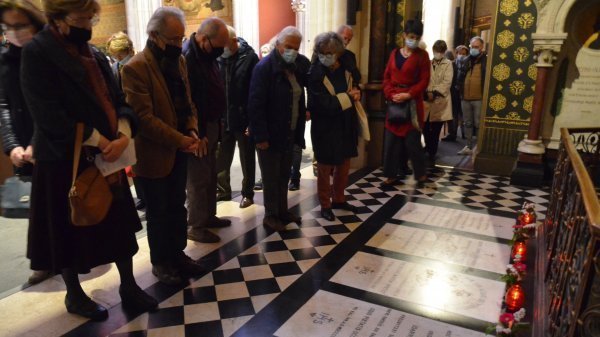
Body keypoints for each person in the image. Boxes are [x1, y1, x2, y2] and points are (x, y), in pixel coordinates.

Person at [21, 0, 158, 320]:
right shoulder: (37, 52)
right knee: (69, 226)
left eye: (91, 16)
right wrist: (100, 140)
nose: (89, 24)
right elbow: (47, 114)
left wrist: (123, 133)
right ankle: (74, 294)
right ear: (58, 18)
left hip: (108, 154)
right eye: (81, 18)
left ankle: (128, 286)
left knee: (120, 227)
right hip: (63, 158)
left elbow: (118, 99)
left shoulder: (93, 53)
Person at [121, 6, 204, 285]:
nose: (178, 45)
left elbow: (188, 99)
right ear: (155, 36)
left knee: (177, 205)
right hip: (153, 155)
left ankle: (177, 253)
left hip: (180, 147)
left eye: (181, 38)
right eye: (172, 39)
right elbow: (144, 119)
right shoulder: (135, 68)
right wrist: (180, 139)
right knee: (158, 212)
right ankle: (161, 261)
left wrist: (191, 127)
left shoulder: (178, 61)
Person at [0, 0, 52, 285]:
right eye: (8, 27)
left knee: (58, 206)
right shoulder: (5, 61)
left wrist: (36, 142)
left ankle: (67, 262)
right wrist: (12, 145)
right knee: (35, 208)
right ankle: (42, 261)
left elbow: (50, 105)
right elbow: (4, 104)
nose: (14, 32)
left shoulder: (48, 55)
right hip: (24, 146)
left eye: (20, 26)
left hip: (52, 141)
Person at [248, 26, 310, 231]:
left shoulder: (296, 67)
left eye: (296, 47)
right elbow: (255, 105)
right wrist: (261, 136)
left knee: (284, 174)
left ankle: (282, 211)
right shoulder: (264, 68)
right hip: (270, 134)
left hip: (289, 131)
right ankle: (271, 215)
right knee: (270, 177)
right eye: (288, 46)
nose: (292, 50)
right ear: (278, 44)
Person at [183, 17, 231, 243]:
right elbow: (190, 100)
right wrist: (199, 133)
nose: (220, 52)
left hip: (212, 124)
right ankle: (196, 225)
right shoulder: (188, 58)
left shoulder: (206, 54)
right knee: (198, 179)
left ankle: (209, 216)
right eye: (218, 46)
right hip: (199, 129)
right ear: (203, 38)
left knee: (211, 174)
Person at [308, 32, 360, 221]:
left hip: (345, 123)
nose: (325, 56)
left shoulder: (347, 68)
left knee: (344, 163)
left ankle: (339, 198)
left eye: (329, 52)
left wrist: (355, 94)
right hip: (325, 126)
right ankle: (325, 204)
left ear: (338, 53)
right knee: (324, 166)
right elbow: (324, 104)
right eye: (322, 52)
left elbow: (356, 87)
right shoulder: (315, 73)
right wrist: (348, 97)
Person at [381, 19, 430, 186]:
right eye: (411, 36)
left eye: (417, 37)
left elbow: (424, 81)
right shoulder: (394, 53)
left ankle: (420, 174)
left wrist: (408, 94)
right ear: (404, 35)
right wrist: (390, 94)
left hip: (412, 104)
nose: (413, 40)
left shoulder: (423, 56)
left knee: (413, 141)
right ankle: (391, 174)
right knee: (391, 140)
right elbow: (386, 77)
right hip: (395, 102)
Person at [215, 25, 259, 208]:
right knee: (221, 157)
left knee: (247, 157)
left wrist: (252, 120)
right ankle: (222, 190)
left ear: (234, 41)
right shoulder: (217, 57)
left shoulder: (249, 58)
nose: (222, 48)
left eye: (224, 44)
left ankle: (247, 193)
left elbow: (255, 91)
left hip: (243, 117)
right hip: (222, 116)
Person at [106, 30, 146, 210]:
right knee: (131, 162)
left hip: (141, 118)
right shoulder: (115, 68)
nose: (117, 59)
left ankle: (147, 194)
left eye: (120, 55)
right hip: (126, 119)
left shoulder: (140, 65)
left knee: (142, 161)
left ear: (128, 50)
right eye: (115, 56)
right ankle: (141, 196)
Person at [423, 40, 453, 166]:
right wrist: (425, 93)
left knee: (435, 129)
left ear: (444, 52)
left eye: (440, 51)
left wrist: (434, 93)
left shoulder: (448, 64)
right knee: (424, 127)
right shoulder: (428, 63)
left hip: (440, 100)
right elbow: (423, 78)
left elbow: (447, 82)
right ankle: (428, 147)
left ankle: (432, 153)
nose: (438, 53)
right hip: (426, 100)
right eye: (436, 51)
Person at [457, 37, 486, 155]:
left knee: (478, 123)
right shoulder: (466, 60)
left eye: (476, 47)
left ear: (482, 47)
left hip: (479, 98)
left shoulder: (486, 61)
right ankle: (468, 146)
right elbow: (460, 77)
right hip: (465, 98)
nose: (474, 49)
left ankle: (478, 147)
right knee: (467, 123)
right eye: (472, 47)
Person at [442, 45, 468, 142]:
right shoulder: (452, 64)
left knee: (463, 114)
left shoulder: (468, 64)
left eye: (464, 54)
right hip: (453, 92)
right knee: (453, 113)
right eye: (459, 53)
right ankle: (452, 133)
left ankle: (464, 133)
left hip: (464, 93)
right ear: (456, 54)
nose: (461, 55)